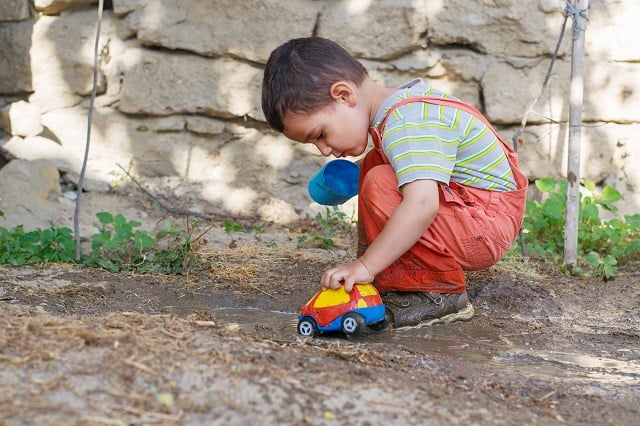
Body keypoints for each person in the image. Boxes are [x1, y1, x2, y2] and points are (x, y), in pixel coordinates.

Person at [261, 37, 528, 329]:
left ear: (343, 95)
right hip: (471, 214)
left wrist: (365, 266)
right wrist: (354, 174)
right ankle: (396, 281)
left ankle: (436, 293)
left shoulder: (407, 123)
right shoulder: (400, 111)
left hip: (485, 226)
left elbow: (422, 203)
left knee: (381, 181)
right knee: (376, 168)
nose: (323, 150)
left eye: (320, 134)